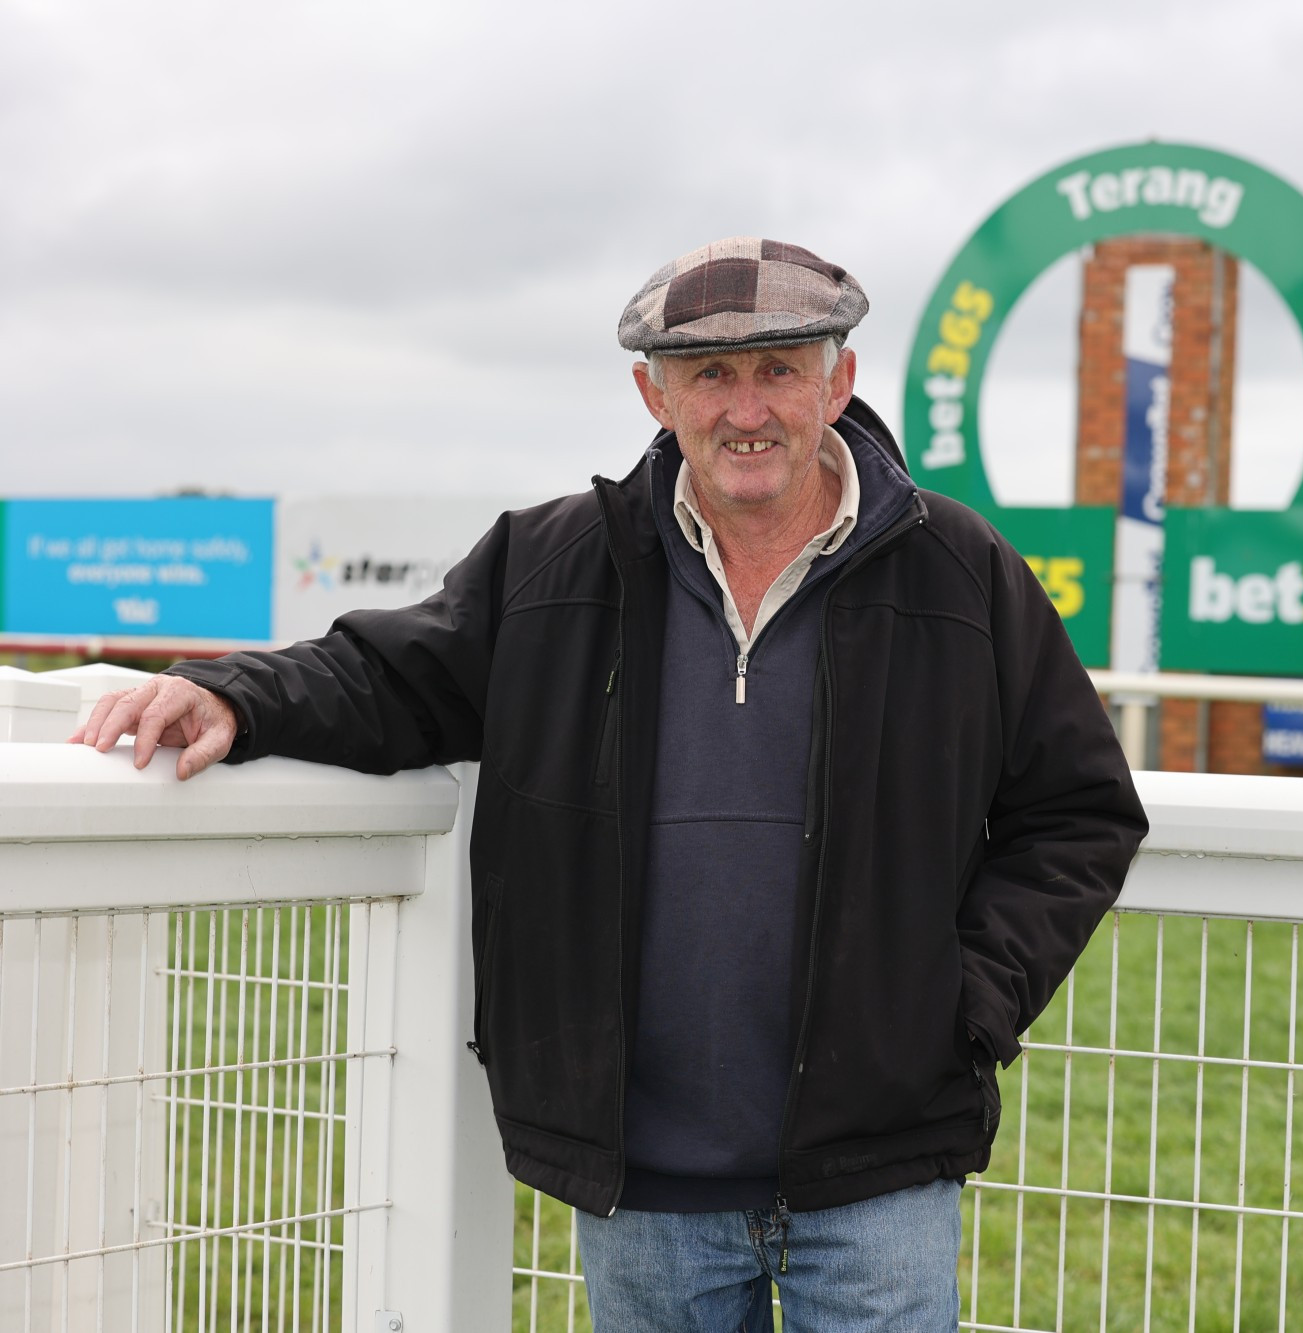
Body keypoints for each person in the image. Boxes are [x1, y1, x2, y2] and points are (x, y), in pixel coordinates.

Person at [73, 236, 1148, 1331]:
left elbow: (1077, 809)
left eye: (779, 368)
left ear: (840, 381)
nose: (747, 409)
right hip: (642, 1187)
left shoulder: (960, 572)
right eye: (709, 375)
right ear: (653, 393)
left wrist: (963, 1006)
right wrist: (234, 696)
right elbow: (383, 674)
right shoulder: (552, 566)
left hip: (881, 1175)